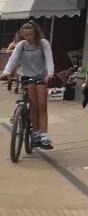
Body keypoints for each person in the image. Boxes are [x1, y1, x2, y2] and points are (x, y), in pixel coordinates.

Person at [0, 21, 54, 149]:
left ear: (35, 33)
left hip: (41, 76)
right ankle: (35, 134)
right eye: (26, 35)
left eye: (31, 34)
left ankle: (44, 136)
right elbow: (13, 59)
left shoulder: (43, 44)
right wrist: (6, 72)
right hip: (27, 76)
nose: (28, 37)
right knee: (34, 106)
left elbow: (49, 58)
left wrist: (50, 73)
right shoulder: (21, 45)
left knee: (42, 106)